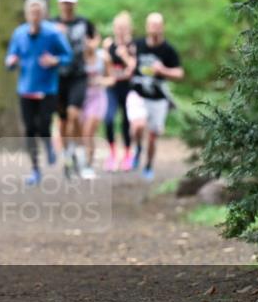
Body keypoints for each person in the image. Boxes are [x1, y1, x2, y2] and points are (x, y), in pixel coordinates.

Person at [5, 0, 72, 185]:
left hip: (47, 88)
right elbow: (11, 55)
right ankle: (35, 170)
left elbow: (68, 56)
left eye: (38, 12)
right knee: (29, 130)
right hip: (25, 88)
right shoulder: (19, 33)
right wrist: (11, 61)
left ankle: (49, 145)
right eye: (31, 12)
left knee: (44, 124)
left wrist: (55, 60)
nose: (35, 15)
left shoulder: (53, 34)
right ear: (27, 14)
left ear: (43, 14)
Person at [126, 12, 184, 181]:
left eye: (158, 25)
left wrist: (163, 70)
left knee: (153, 136)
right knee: (137, 125)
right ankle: (137, 148)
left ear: (163, 27)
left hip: (158, 99)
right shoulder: (137, 44)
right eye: (152, 25)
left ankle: (149, 165)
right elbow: (122, 54)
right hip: (138, 94)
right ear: (147, 27)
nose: (155, 29)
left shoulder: (168, 50)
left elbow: (180, 73)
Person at [51, 0, 97, 179]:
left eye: (70, 3)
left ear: (75, 4)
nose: (67, 6)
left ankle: (78, 152)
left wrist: (91, 46)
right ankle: (68, 156)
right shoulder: (51, 24)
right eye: (64, 3)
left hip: (78, 75)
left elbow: (95, 41)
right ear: (59, 4)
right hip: (58, 76)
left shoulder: (84, 23)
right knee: (62, 121)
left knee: (74, 114)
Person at [103, 11, 137, 172]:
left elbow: (134, 68)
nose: (120, 31)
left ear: (129, 29)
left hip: (129, 89)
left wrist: (124, 56)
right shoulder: (109, 45)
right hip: (112, 88)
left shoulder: (133, 46)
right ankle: (112, 153)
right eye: (118, 27)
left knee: (126, 121)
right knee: (108, 119)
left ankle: (128, 154)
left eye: (123, 28)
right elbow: (106, 69)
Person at [79, 35, 112, 180]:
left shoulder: (103, 57)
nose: (88, 43)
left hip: (98, 98)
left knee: (88, 132)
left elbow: (112, 78)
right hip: (81, 98)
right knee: (80, 135)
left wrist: (101, 80)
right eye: (86, 39)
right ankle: (80, 162)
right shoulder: (78, 57)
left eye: (91, 39)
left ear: (97, 39)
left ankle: (88, 165)